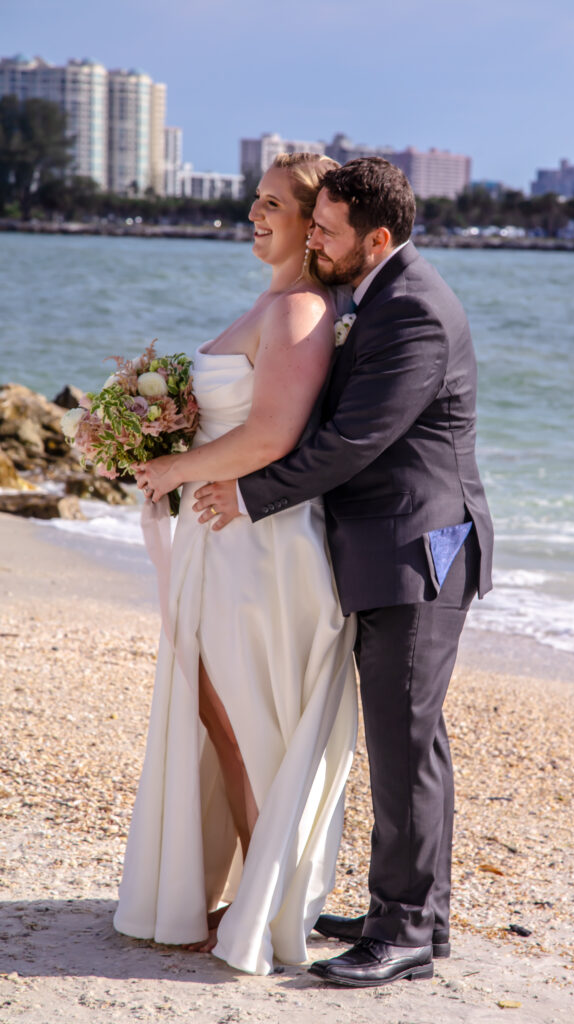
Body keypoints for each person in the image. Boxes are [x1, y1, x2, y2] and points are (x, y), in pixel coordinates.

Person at [192, 158, 494, 988]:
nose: (314, 242)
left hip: (418, 554)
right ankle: (414, 917)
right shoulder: (374, 299)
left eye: (325, 231)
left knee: (403, 743)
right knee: (412, 741)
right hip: (387, 549)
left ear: (378, 238)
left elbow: (353, 440)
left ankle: (401, 934)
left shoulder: (414, 312)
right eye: (312, 225)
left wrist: (249, 495)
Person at [113, 153, 358, 977]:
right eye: (254, 201)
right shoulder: (271, 303)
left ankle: (261, 903)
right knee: (219, 721)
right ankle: (250, 886)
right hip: (223, 543)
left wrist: (171, 469)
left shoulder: (298, 311)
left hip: (261, 552)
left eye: (274, 205)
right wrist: (161, 437)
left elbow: (273, 435)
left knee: (250, 728)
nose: (255, 215)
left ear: (310, 226)